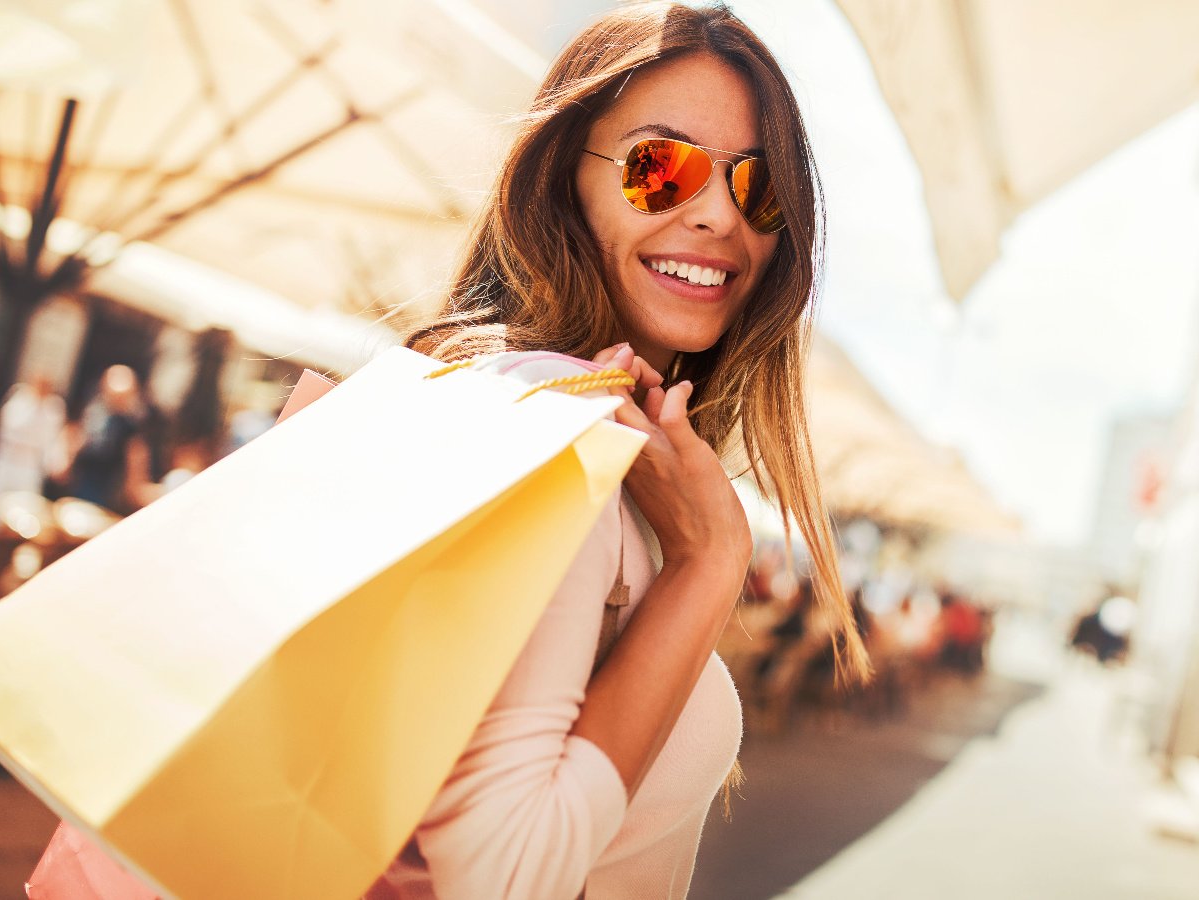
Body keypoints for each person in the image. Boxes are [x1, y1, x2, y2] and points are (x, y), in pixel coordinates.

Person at [371, 5, 870, 898]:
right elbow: (498, 874)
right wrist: (710, 563)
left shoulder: (596, 443)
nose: (719, 215)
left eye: (758, 189)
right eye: (659, 166)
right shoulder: (549, 430)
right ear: (568, 179)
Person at [60, 365, 158, 515]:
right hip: (80, 484)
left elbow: (136, 462)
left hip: (106, 493)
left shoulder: (131, 426)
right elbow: (78, 438)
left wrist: (136, 490)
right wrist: (68, 460)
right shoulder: (94, 414)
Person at [0, 374, 67, 495]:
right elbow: (11, 424)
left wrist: (56, 462)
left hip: (30, 465)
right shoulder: (19, 398)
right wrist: (35, 404)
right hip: (9, 458)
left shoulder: (54, 407)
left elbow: (52, 438)